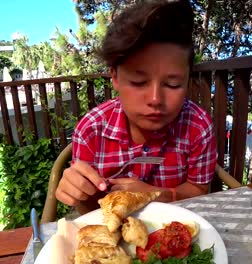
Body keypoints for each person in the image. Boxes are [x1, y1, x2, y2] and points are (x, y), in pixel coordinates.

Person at [55, 0, 217, 214]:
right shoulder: (92, 130)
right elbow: (88, 213)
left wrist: (155, 194)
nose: (155, 99)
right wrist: (77, 191)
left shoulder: (197, 126)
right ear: (115, 76)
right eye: (139, 82)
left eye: (173, 84)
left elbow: (199, 190)